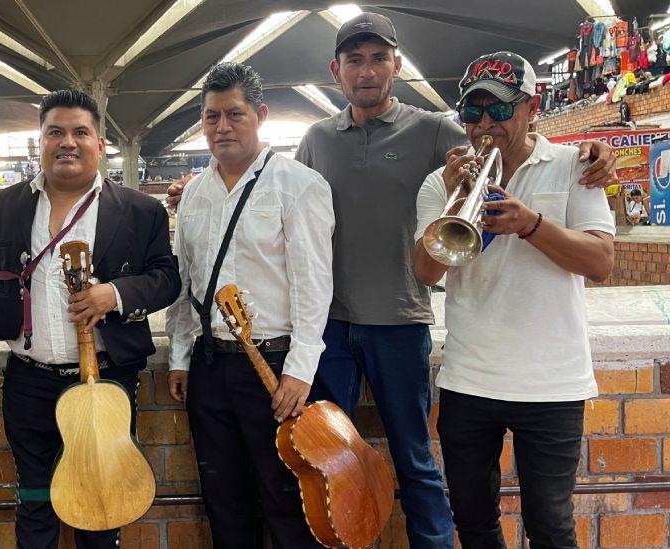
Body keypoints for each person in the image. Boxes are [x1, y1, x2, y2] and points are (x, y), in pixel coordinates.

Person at [166, 13, 618, 548]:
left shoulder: (433, 129)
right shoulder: (315, 138)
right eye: (354, 60)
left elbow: (501, 143)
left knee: (416, 462)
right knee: (324, 463)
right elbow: (276, 193)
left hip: (400, 324)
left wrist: (594, 152)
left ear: (396, 66)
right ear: (336, 70)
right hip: (332, 328)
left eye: (379, 58)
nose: (367, 70)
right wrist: (196, 193)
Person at [0, 89, 180, 549]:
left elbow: (167, 279)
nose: (67, 142)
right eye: (55, 132)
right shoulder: (7, 205)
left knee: (101, 504)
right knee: (35, 500)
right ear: (41, 141)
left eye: (79, 132)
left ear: (101, 141)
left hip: (108, 383)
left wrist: (114, 294)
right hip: (29, 382)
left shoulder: (139, 210)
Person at [413, 51, 615, 549]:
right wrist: (457, 198)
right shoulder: (440, 182)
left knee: (550, 525)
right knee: (475, 522)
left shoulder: (576, 167)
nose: (485, 124)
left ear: (531, 107)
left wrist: (531, 225)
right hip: (470, 380)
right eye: (473, 112)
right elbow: (425, 271)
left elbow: (602, 263)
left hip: (553, 385)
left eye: (500, 110)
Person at [165, 62, 334, 549]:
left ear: (260, 115)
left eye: (234, 114)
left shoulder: (298, 185)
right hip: (211, 365)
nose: (222, 127)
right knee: (223, 496)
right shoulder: (194, 193)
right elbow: (187, 283)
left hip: (275, 367)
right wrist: (180, 357)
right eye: (212, 116)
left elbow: (313, 284)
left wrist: (301, 368)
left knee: (285, 498)